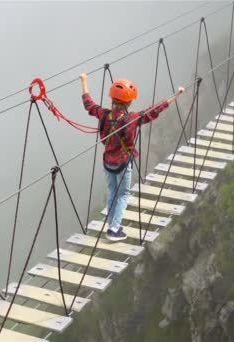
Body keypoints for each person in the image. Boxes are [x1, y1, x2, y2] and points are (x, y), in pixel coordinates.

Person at [79, 72, 184, 241]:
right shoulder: (132, 118)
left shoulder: (104, 114)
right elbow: (154, 110)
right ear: (128, 102)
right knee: (124, 194)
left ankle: (111, 224)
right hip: (122, 163)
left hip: (107, 162)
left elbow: (88, 104)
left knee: (112, 192)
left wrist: (84, 81)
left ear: (112, 99)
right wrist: (176, 95)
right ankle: (114, 230)